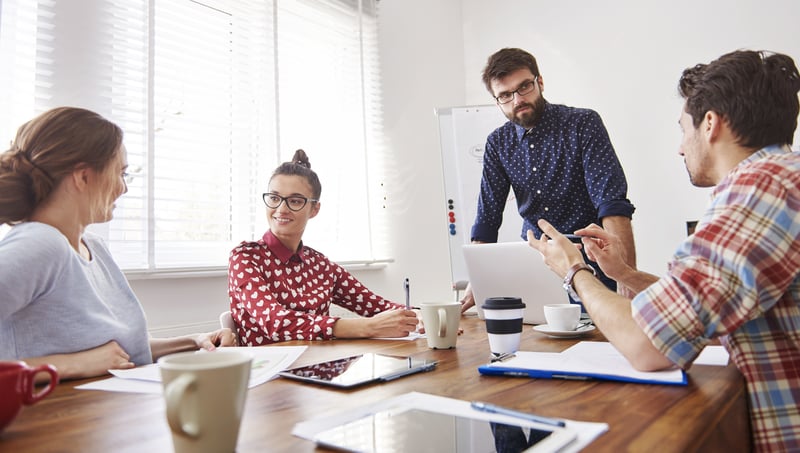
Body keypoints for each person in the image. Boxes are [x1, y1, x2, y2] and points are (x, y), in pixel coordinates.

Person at [529, 50, 800, 451]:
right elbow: (706, 304)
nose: (680, 148)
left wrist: (574, 270)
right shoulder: (781, 179)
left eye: (682, 129)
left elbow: (649, 345)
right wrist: (623, 274)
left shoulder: (759, 191)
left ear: (710, 124)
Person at [0, 107, 237, 381]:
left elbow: (118, 351)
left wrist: (196, 340)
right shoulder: (40, 244)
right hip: (53, 419)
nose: (123, 188)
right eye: (121, 173)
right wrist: (73, 364)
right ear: (83, 176)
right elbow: (93, 358)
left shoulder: (94, 247)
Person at [461, 47, 637, 313]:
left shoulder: (582, 124)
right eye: (505, 95)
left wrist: (627, 275)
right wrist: (476, 281)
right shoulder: (498, 144)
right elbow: (487, 219)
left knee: (605, 343)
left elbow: (612, 203)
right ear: (497, 100)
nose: (517, 100)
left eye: (524, 87)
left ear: (540, 82)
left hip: (593, 261)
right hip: (536, 268)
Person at [227, 149, 418, 345]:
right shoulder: (245, 257)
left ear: (314, 209)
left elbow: (379, 307)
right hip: (270, 372)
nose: (281, 209)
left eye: (295, 201)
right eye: (275, 198)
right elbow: (276, 322)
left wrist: (427, 318)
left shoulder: (321, 265)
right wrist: (368, 327)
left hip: (320, 368)